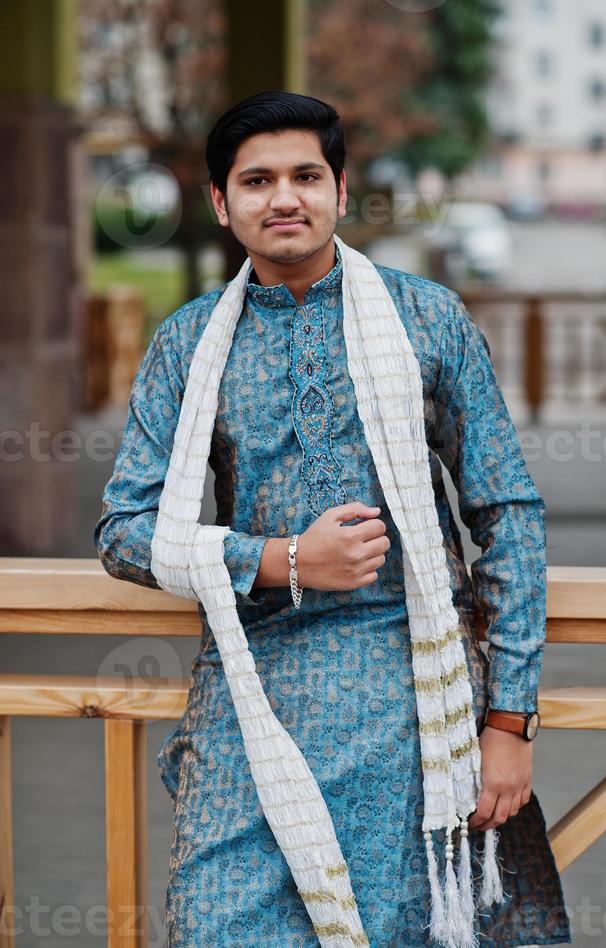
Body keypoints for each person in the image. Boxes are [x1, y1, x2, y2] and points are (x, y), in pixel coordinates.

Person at [94, 90, 572, 947]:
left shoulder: (429, 319)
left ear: (341, 191)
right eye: (257, 180)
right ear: (220, 202)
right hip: (250, 684)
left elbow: (508, 513)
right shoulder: (188, 343)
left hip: (408, 688)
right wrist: (279, 559)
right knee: (217, 922)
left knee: (391, 925)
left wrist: (508, 722)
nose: (284, 198)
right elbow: (126, 528)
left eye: (306, 175)